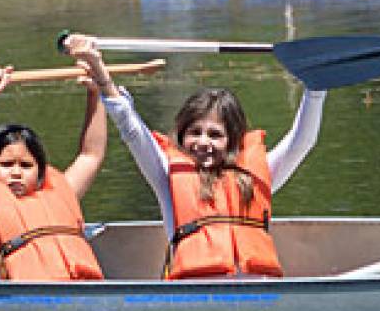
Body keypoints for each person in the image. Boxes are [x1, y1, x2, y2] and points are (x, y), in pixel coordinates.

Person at [62, 33, 325, 280]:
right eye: (194, 132)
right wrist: (98, 69)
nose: (203, 142)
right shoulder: (168, 175)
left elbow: (302, 142)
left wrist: (316, 87)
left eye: (215, 135)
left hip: (259, 293)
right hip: (195, 294)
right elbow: (131, 128)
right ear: (182, 135)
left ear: (232, 140)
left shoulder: (255, 176)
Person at [0, 61, 107, 280]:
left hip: (79, 292)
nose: (16, 173)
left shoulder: (59, 191)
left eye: (26, 165)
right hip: (18, 298)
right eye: (6, 165)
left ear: (40, 173)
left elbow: (91, 154)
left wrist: (96, 91)